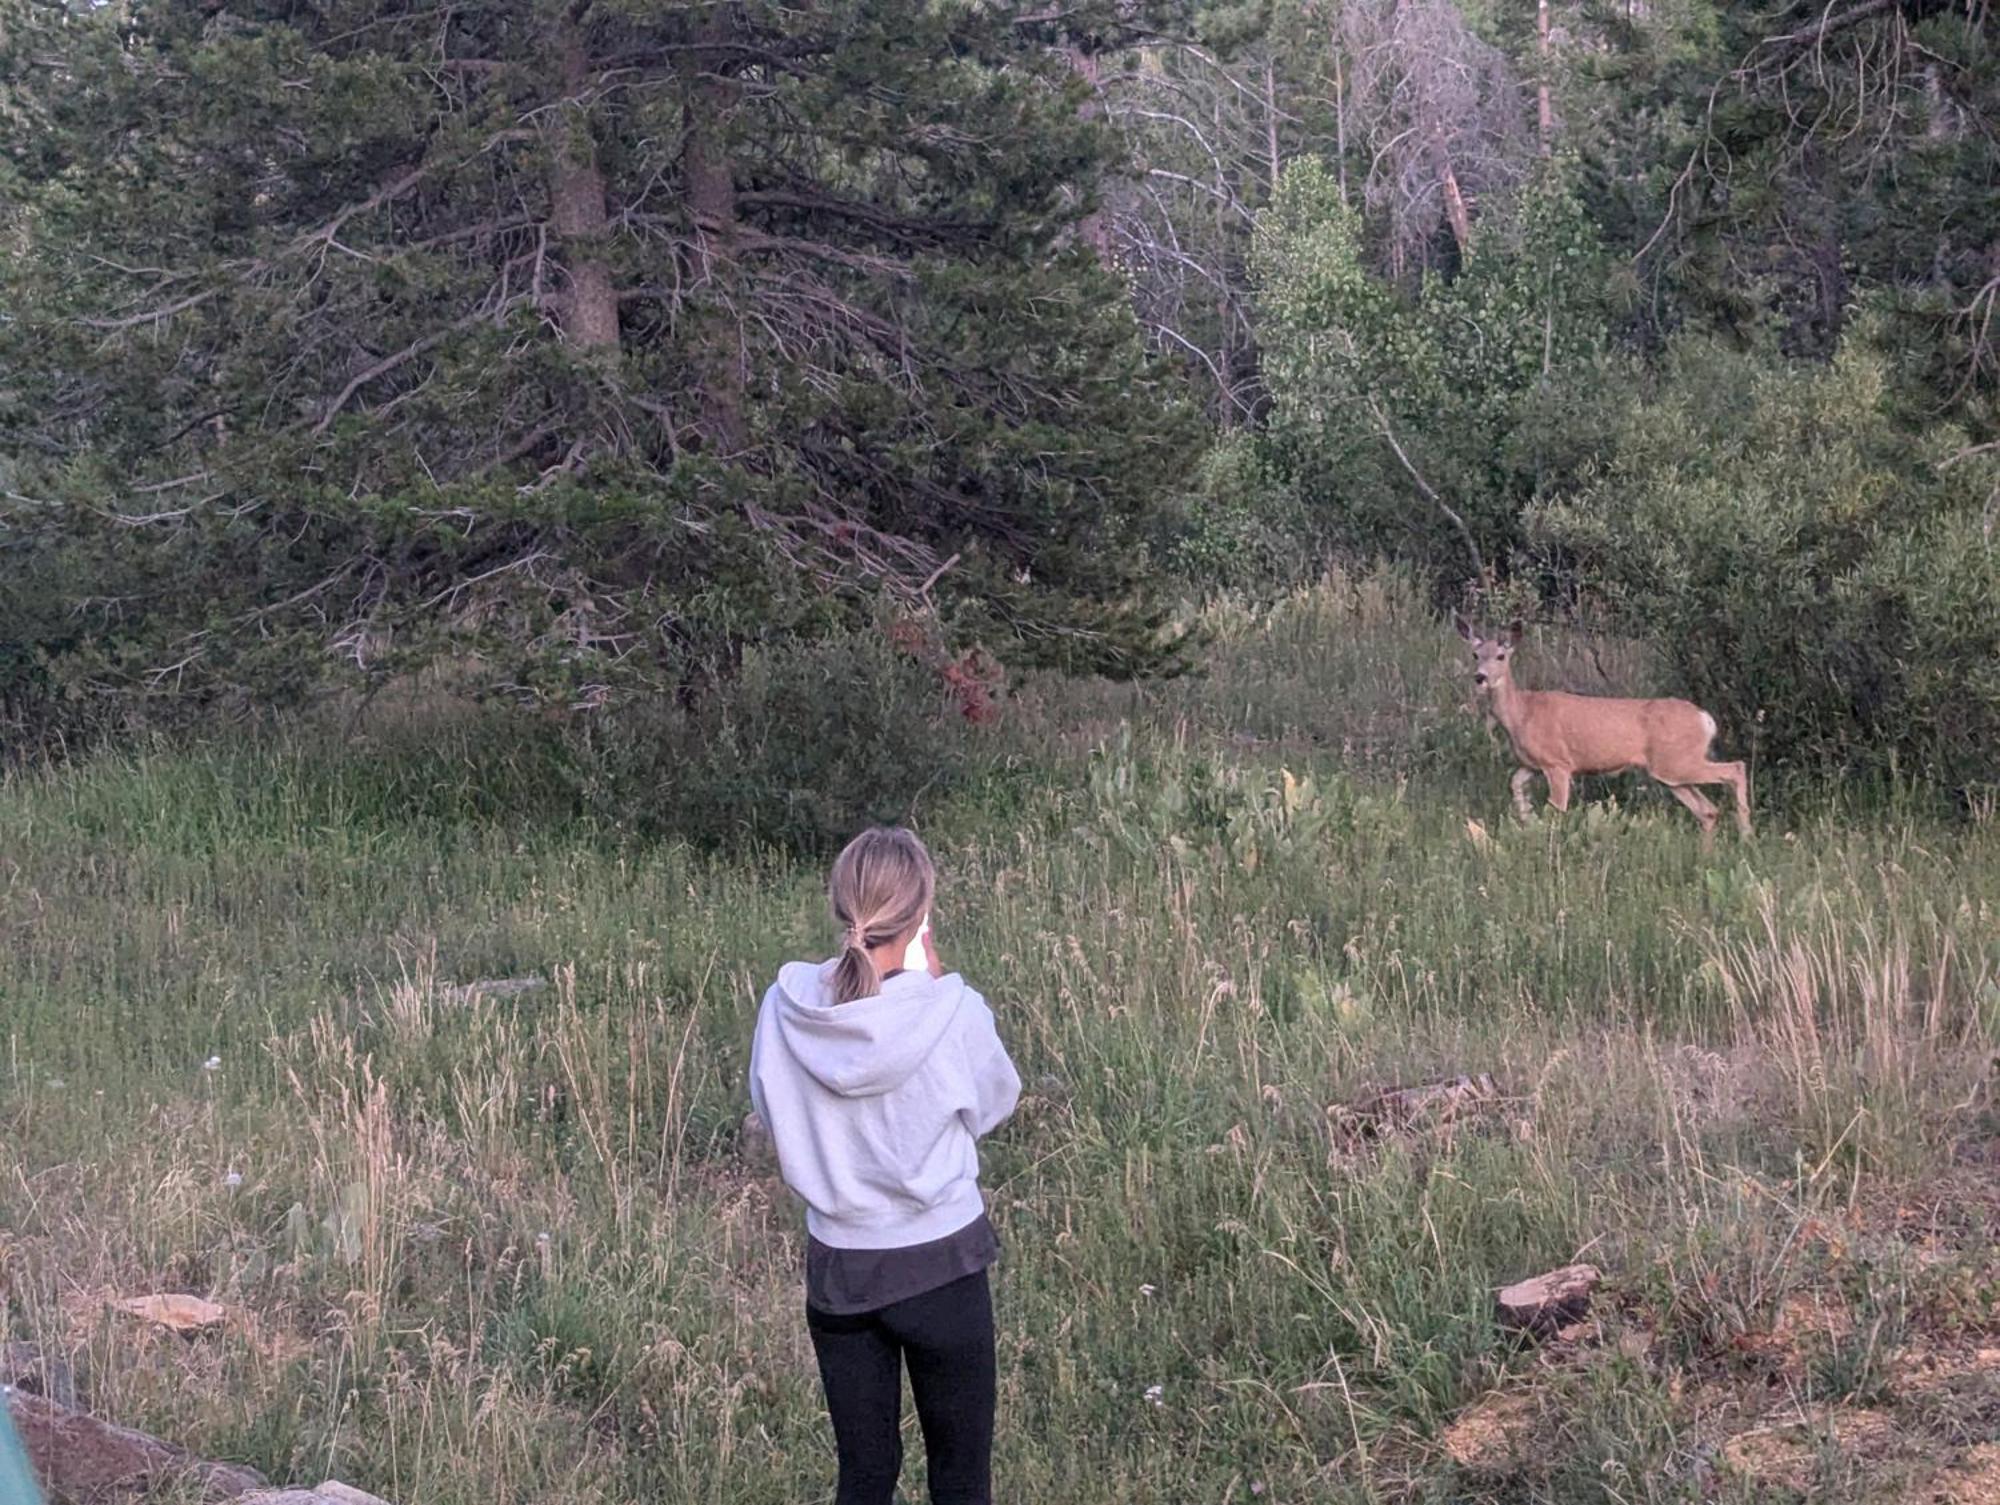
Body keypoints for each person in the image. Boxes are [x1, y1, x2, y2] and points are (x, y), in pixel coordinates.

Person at [749, 826, 1021, 1505]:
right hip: (943, 1265)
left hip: (841, 1267)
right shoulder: (952, 1010)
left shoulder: (787, 1008)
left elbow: (771, 1108)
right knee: (960, 1477)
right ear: (921, 914)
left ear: (842, 907)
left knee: (865, 1474)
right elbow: (994, 1102)